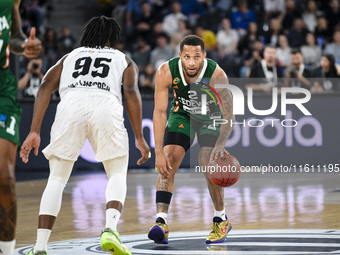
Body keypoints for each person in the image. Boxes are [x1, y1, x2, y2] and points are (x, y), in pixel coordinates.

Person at [19, 16, 150, 255]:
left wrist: (34, 130)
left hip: (71, 106)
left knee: (57, 180)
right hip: (106, 106)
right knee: (117, 173)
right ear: (113, 39)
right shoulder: (124, 59)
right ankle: (110, 230)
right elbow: (131, 92)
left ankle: (40, 246)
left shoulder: (69, 57)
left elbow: (46, 84)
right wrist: (139, 136)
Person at [148, 35, 234, 245]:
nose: (192, 62)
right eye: (187, 57)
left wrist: (220, 145)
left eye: (197, 57)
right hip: (183, 114)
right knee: (168, 160)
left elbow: (229, 115)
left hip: (210, 117)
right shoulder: (166, 71)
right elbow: (159, 112)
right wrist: (158, 152)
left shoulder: (217, 74)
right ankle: (161, 222)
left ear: (204, 56)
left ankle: (220, 219)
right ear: (180, 56)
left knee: (207, 161)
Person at [0, 0, 42, 254]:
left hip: (2, 94)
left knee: (5, 179)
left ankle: (6, 250)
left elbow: (14, 36)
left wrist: (24, 45)